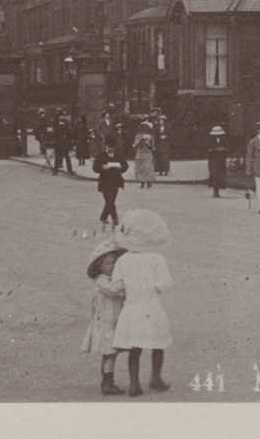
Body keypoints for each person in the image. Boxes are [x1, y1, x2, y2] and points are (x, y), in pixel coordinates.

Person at [111, 209, 173, 397]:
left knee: (134, 348)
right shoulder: (157, 259)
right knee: (158, 344)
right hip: (152, 306)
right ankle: (155, 377)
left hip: (132, 307)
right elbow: (165, 284)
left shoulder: (123, 260)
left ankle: (134, 384)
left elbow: (116, 285)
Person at [81, 239, 128, 396]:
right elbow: (114, 291)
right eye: (108, 263)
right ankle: (107, 383)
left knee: (110, 353)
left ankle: (108, 381)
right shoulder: (101, 281)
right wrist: (124, 282)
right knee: (109, 353)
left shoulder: (109, 280)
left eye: (114, 262)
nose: (112, 266)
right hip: (106, 323)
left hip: (112, 322)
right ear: (99, 266)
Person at [95, 136, 128, 229]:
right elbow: (95, 168)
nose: (110, 149)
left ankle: (103, 217)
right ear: (106, 147)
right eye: (108, 147)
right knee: (109, 200)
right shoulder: (101, 156)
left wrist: (120, 167)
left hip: (116, 182)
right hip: (104, 182)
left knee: (111, 201)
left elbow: (125, 166)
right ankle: (115, 218)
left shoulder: (118, 155)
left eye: (112, 147)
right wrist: (102, 167)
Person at [133, 121, 156, 189]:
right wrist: (139, 141)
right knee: (140, 168)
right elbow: (134, 145)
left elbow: (153, 147)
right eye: (143, 127)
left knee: (148, 168)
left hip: (148, 153)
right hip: (139, 153)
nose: (144, 128)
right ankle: (142, 182)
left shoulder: (150, 136)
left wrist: (149, 144)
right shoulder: (138, 136)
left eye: (145, 127)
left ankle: (149, 182)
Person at [207, 125, 228, 198]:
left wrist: (223, 149)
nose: (218, 135)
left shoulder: (224, 140)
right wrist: (215, 149)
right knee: (214, 174)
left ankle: (218, 190)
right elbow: (208, 149)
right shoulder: (210, 140)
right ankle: (215, 191)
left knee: (220, 175)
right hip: (213, 160)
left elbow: (227, 148)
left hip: (221, 159)